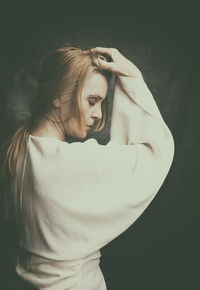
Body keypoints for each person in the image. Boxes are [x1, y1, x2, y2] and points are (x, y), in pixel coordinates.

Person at [0, 45, 175, 290]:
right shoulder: (70, 161)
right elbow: (154, 152)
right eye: (92, 101)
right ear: (58, 95)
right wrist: (133, 76)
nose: (97, 115)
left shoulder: (17, 151)